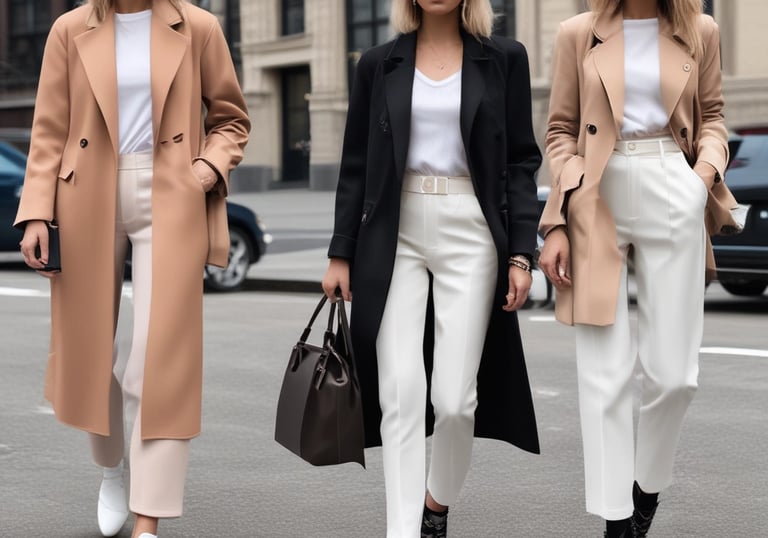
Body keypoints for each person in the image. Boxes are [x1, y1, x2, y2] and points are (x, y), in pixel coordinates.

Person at [15, 0, 249, 536]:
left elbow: (231, 118)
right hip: (84, 195)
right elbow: (49, 129)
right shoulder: (70, 29)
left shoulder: (199, 26)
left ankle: (149, 517)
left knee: (159, 358)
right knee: (94, 354)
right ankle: (111, 471)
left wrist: (207, 170)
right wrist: (35, 213)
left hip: (173, 192)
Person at [321, 0, 541, 536]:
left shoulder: (505, 57)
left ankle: (435, 505)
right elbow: (356, 162)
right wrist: (340, 250)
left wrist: (520, 252)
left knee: (455, 401)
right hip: (394, 229)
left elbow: (520, 161)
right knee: (399, 392)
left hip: (470, 227)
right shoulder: (378, 62)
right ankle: (401, 529)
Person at [538, 0, 740, 536]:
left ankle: (645, 489)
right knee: (604, 378)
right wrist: (562, 210)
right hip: (596, 192)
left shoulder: (701, 30)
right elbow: (559, 130)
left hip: (674, 183)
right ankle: (617, 518)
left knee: (676, 378)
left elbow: (714, 116)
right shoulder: (577, 32)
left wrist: (700, 178)